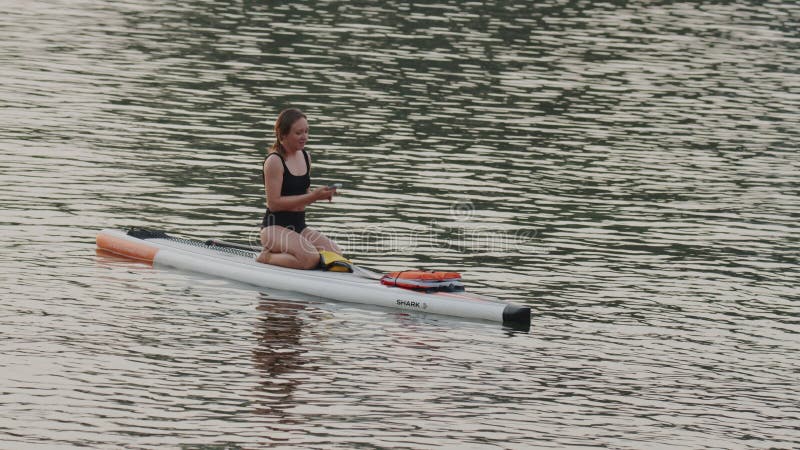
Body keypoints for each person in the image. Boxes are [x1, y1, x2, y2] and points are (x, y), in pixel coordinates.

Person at [257, 108, 342, 268]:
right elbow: (274, 204)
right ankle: (267, 257)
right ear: (283, 135)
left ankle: (291, 255)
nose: (305, 137)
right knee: (310, 258)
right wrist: (312, 197)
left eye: (306, 131)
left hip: (299, 226)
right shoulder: (274, 161)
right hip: (274, 228)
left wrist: (320, 195)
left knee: (335, 254)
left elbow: (303, 197)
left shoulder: (305, 156)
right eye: (298, 133)